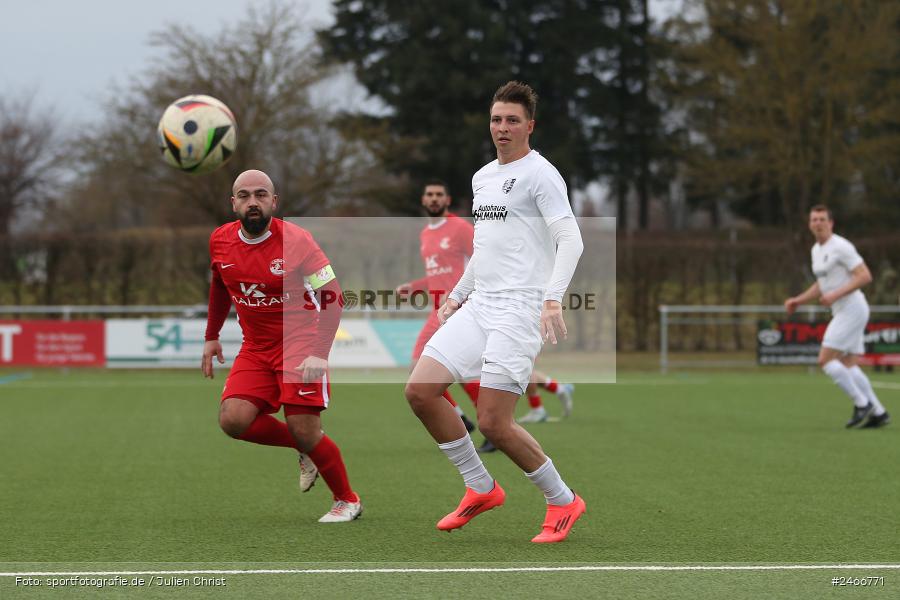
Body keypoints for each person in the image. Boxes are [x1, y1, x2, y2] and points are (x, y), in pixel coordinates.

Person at [404, 81, 586, 543]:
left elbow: (571, 239)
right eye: (496, 119)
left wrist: (552, 299)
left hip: (520, 309)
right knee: (421, 390)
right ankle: (480, 487)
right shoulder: (483, 177)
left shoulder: (542, 175)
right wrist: (457, 294)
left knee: (493, 423)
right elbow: (485, 251)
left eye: (511, 120)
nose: (502, 128)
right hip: (480, 303)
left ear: (530, 125)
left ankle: (563, 500)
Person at [202, 169, 363, 522]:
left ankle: (347, 500)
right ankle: (304, 446)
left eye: (261, 194)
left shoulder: (298, 240)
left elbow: (333, 297)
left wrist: (320, 353)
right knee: (233, 420)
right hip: (256, 347)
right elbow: (219, 284)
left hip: (301, 344)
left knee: (305, 428)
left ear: (274, 201)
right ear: (233, 204)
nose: (252, 201)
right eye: (244, 195)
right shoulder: (219, 241)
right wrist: (211, 336)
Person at [784, 205, 890, 428]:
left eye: (822, 219)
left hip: (852, 308)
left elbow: (865, 276)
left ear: (831, 223)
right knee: (848, 364)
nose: (818, 223)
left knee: (825, 360)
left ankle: (862, 404)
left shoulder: (841, 246)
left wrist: (834, 295)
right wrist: (798, 300)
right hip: (843, 309)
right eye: (814, 220)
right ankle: (879, 412)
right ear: (809, 224)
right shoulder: (816, 250)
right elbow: (821, 285)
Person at [396, 180, 480, 433]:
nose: (434, 198)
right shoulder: (426, 234)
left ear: (447, 200)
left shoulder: (460, 228)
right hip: (439, 310)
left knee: (427, 369)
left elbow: (482, 261)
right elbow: (437, 276)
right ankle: (466, 420)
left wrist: (465, 295)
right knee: (445, 371)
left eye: (438, 195)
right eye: (429, 194)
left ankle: (478, 422)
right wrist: (414, 286)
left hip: (459, 307)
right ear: (423, 201)